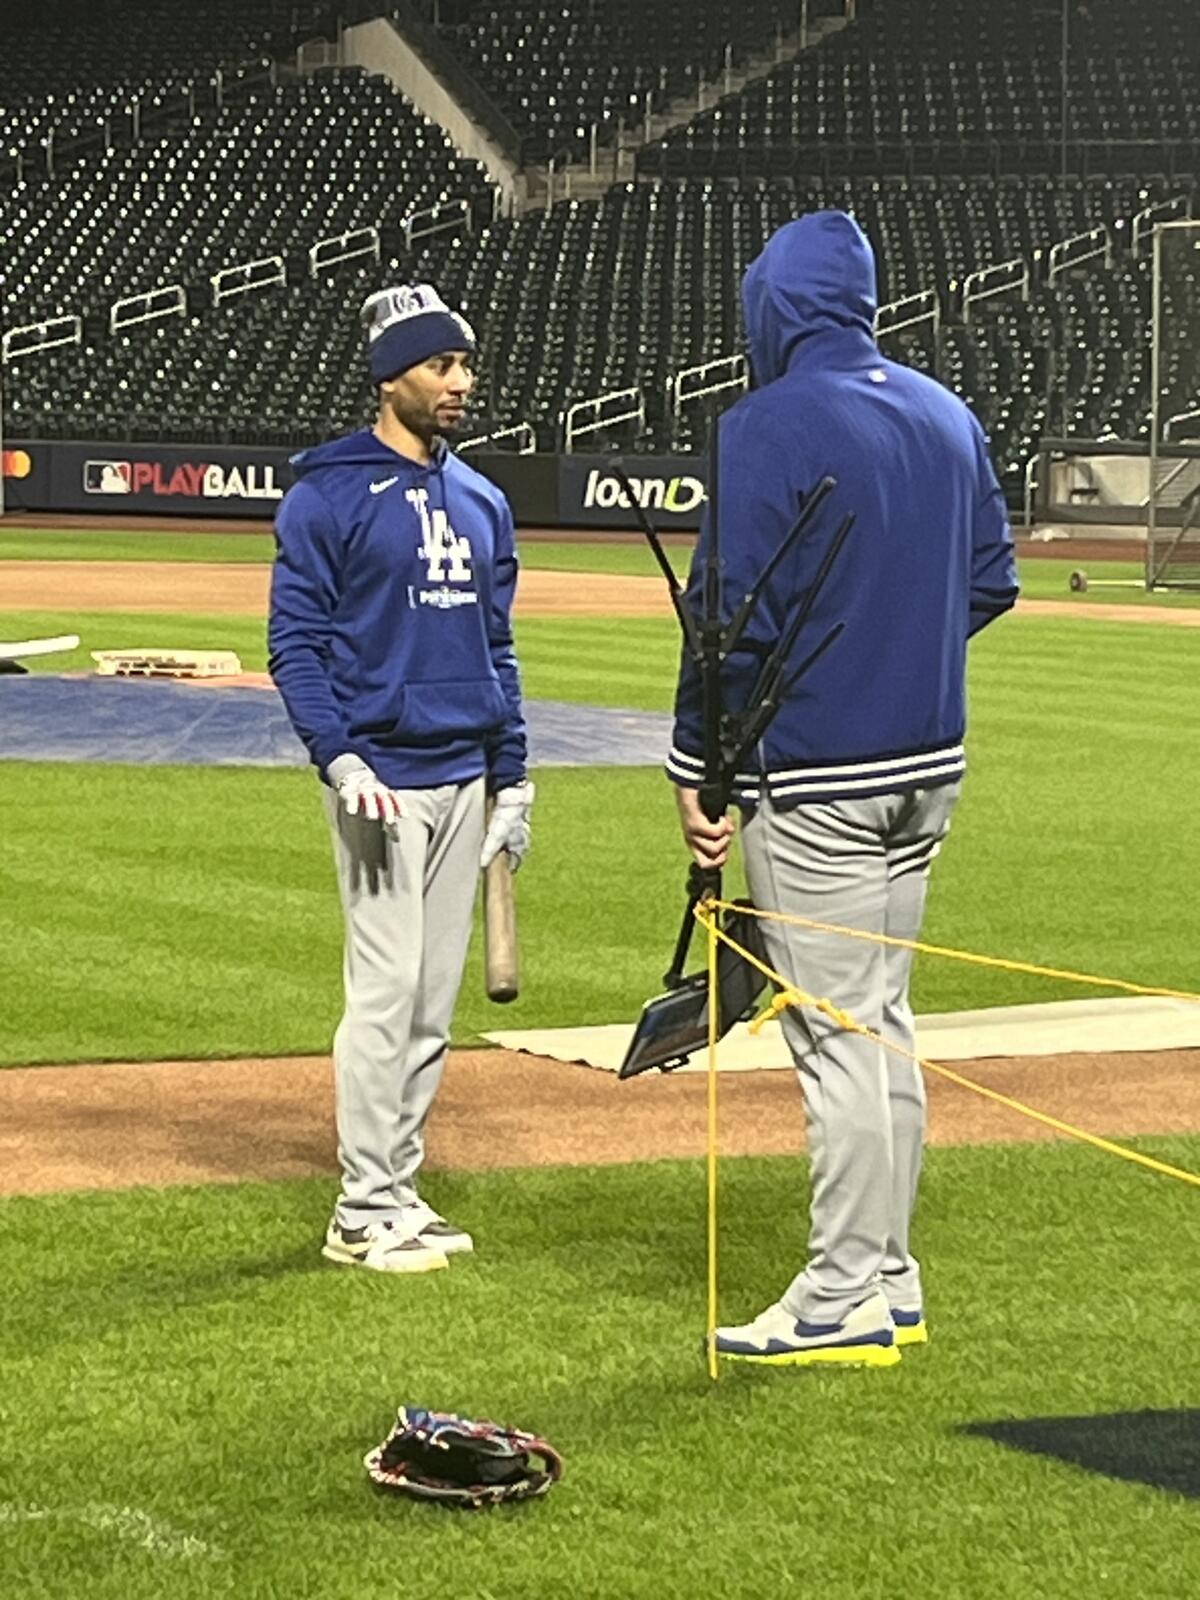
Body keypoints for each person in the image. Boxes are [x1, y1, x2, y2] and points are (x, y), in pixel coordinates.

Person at [667, 212, 1018, 1365]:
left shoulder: (760, 426)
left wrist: (692, 763)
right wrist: (895, 645)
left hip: (818, 772)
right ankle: (892, 1270)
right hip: (931, 766)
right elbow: (991, 585)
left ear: (774, 307)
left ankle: (841, 1295)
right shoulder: (946, 411)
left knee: (834, 1032)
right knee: (887, 1015)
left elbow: (728, 622)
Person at [269, 283, 533, 1274]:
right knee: (384, 994)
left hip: (464, 774)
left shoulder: (483, 500)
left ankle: (396, 1190)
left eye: (465, 363)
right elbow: (294, 643)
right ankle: (360, 1209)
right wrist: (338, 759)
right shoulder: (327, 493)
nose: (460, 382)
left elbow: (496, 648)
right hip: (380, 779)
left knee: (431, 1002)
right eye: (440, 365)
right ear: (393, 377)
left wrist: (513, 779)